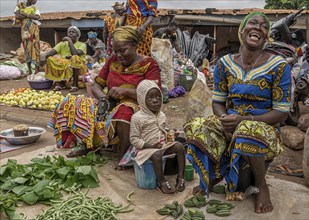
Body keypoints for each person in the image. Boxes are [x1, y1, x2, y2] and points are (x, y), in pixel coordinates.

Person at [184, 12, 292, 214]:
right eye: (253, 23)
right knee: (196, 126)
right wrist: (224, 118)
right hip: (232, 122)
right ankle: (212, 176)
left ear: (267, 36)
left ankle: (261, 185)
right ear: (242, 30)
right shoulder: (224, 64)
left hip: (263, 129)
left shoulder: (279, 66)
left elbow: (281, 113)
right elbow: (218, 101)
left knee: (246, 131)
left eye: (264, 26)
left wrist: (242, 120)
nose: (258, 27)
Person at [48, 26, 161, 171]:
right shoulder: (113, 61)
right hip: (111, 102)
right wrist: (104, 99)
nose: (118, 55)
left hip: (139, 106)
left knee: (124, 111)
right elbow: (96, 85)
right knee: (73, 103)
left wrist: (125, 92)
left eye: (123, 50)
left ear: (135, 46)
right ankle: (89, 145)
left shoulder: (149, 64)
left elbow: (155, 94)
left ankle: (123, 155)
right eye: (115, 51)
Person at [130, 80, 186, 194]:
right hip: (144, 150)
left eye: (158, 97)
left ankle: (180, 177)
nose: (155, 100)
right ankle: (161, 181)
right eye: (150, 98)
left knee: (180, 147)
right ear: (142, 100)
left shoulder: (161, 115)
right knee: (156, 154)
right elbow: (134, 139)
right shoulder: (137, 118)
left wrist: (170, 133)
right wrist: (151, 146)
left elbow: (162, 130)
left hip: (160, 146)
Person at [40, 26, 87, 92]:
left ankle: (75, 84)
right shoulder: (62, 44)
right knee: (50, 59)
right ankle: (60, 83)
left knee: (75, 58)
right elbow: (51, 52)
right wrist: (43, 57)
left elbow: (75, 53)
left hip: (79, 68)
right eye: (69, 32)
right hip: (65, 65)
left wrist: (70, 42)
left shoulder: (82, 45)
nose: (71, 33)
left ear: (78, 35)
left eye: (73, 32)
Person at [14, 0, 41, 75]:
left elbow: (37, 17)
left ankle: (37, 69)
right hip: (24, 30)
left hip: (34, 31)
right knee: (27, 48)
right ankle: (29, 70)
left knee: (36, 47)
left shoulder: (35, 8)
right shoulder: (20, 5)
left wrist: (24, 14)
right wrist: (30, 16)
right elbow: (17, 16)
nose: (35, 1)